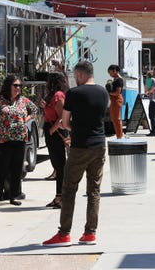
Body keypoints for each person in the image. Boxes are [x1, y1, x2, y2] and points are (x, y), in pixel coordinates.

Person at [42, 61, 108, 247]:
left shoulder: (74, 93)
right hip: (99, 145)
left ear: (79, 74)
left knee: (69, 188)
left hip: (80, 146)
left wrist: (75, 128)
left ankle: (64, 234)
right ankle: (90, 233)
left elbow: (64, 122)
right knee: (94, 190)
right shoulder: (103, 92)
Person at [0, 75, 38, 206]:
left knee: (17, 169)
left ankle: (13, 195)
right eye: (15, 85)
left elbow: (35, 110)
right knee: (1, 169)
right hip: (4, 140)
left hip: (20, 139)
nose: (18, 88)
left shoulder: (23, 101)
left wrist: (27, 118)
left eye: (20, 86)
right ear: (8, 86)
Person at [41, 72, 69, 209]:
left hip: (55, 131)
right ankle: (59, 196)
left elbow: (62, 117)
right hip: (50, 129)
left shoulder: (58, 95)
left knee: (60, 166)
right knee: (57, 165)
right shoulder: (53, 96)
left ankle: (61, 197)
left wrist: (52, 129)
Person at [107, 64, 124, 139]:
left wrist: (109, 93)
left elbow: (118, 92)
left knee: (116, 119)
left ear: (114, 71)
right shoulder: (115, 79)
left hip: (117, 99)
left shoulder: (119, 80)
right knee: (114, 118)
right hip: (114, 99)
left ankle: (119, 136)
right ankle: (119, 135)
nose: (109, 74)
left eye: (110, 72)